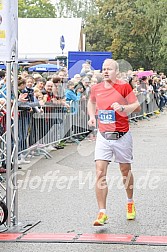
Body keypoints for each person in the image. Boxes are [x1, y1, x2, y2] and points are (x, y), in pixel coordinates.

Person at [87, 59, 141, 226]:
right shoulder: (96, 88)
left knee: (125, 171)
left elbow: (137, 106)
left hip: (122, 135)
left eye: (109, 69)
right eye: (103, 69)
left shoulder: (124, 86)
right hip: (103, 136)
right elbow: (91, 101)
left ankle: (130, 201)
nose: (105, 71)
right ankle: (102, 212)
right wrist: (91, 117)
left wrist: (124, 108)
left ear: (116, 71)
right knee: (100, 172)